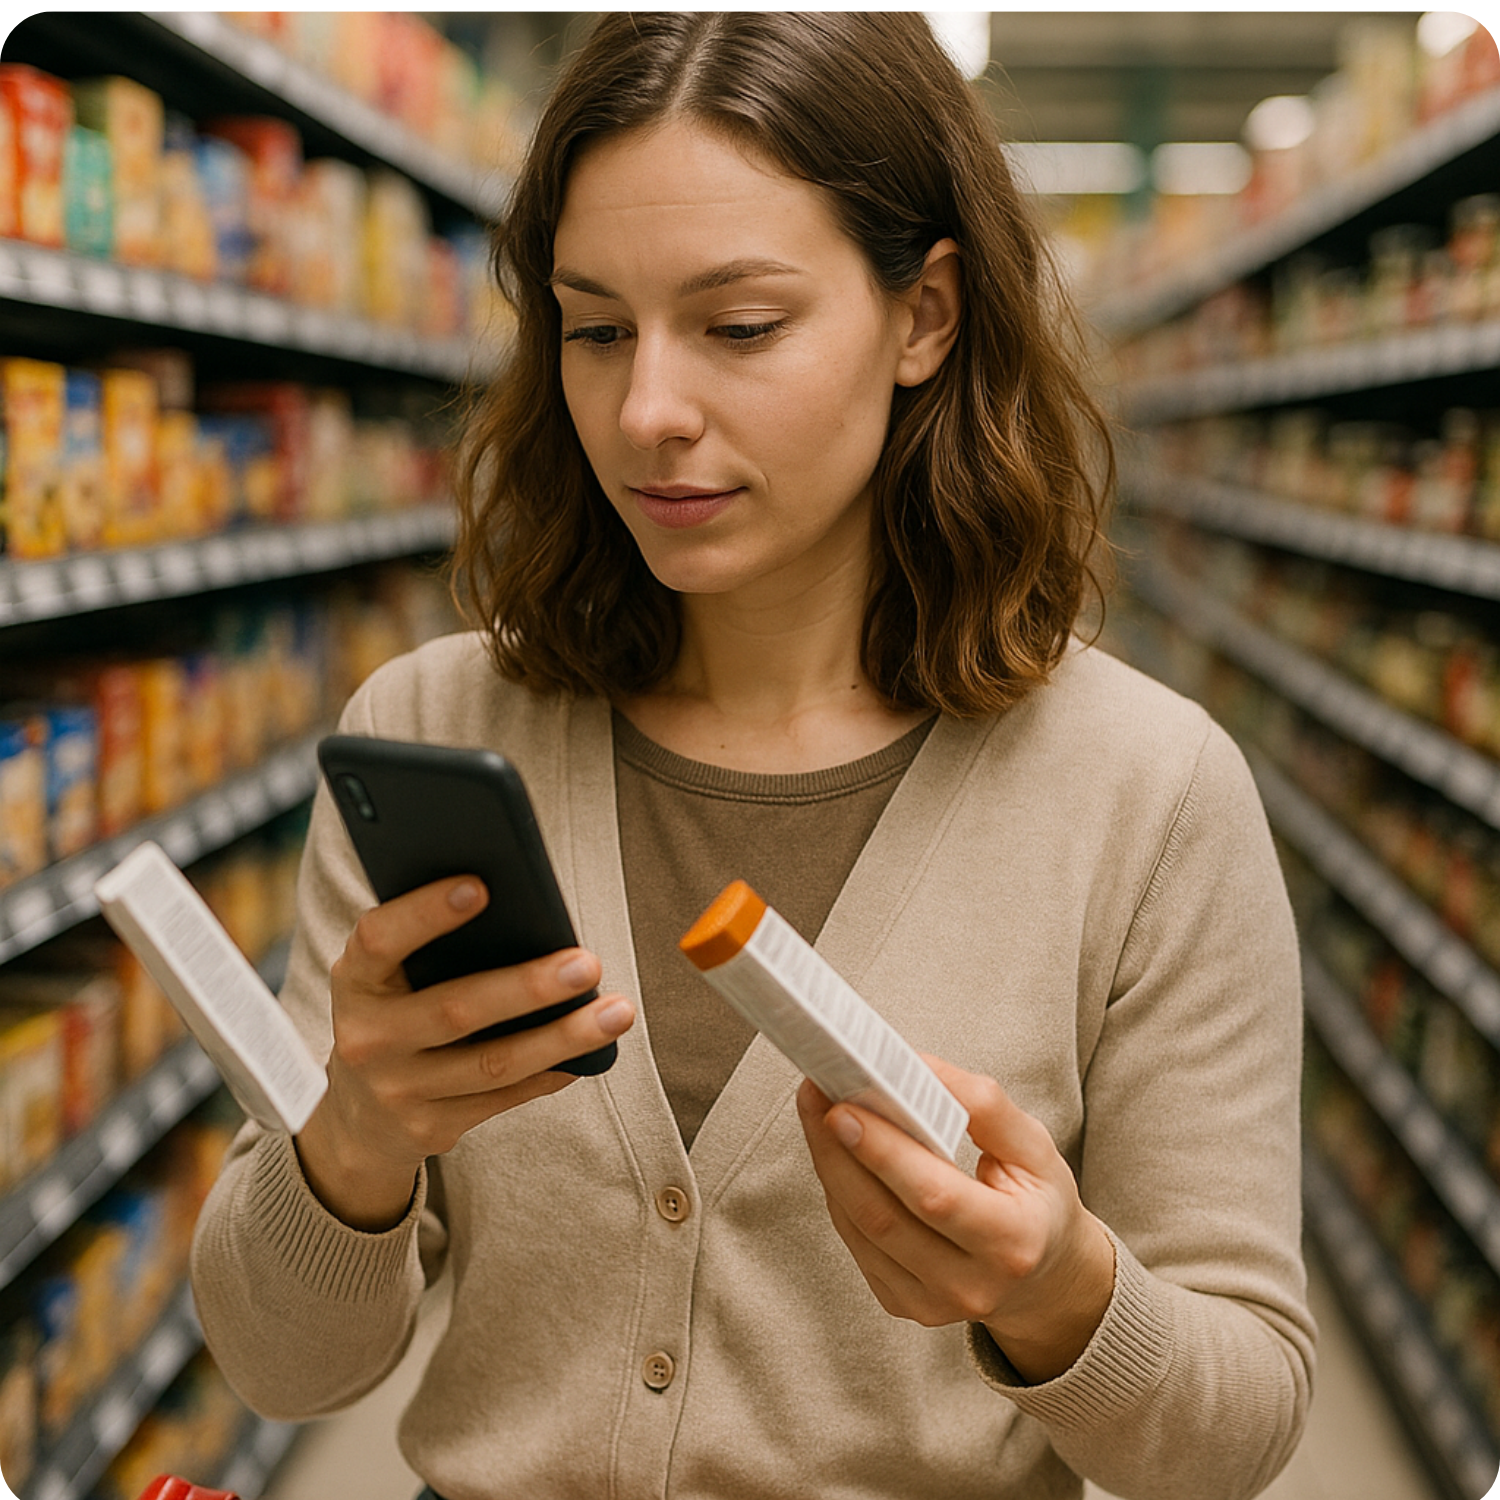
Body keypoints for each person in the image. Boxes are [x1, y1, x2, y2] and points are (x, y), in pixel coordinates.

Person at [190, 14, 1315, 1500]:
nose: (647, 410)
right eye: (595, 328)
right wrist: (352, 1147)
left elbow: (1239, 1432)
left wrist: (1059, 1296)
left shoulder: (1147, 795)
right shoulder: (435, 731)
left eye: (738, 326)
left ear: (925, 317)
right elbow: (284, 1371)